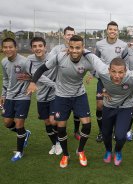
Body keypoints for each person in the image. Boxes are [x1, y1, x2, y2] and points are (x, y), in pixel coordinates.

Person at [27, 35, 96, 168]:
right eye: (72, 47)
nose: (74, 50)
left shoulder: (88, 60)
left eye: (78, 48)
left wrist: (93, 76)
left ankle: (80, 151)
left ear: (83, 48)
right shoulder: (60, 57)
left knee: (87, 126)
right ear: (68, 47)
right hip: (61, 96)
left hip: (79, 95)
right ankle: (65, 154)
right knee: (60, 127)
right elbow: (42, 69)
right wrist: (32, 82)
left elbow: (100, 71)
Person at [84, 54, 133, 166]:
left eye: (121, 72)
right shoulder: (102, 71)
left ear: (126, 71)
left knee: (120, 135)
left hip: (125, 108)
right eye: (113, 71)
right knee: (106, 134)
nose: (117, 75)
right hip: (108, 107)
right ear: (108, 70)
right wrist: (82, 49)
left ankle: (117, 151)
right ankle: (108, 151)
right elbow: (92, 57)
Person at [26, 37, 62, 155]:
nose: (38, 48)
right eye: (35, 46)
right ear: (32, 48)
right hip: (41, 96)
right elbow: (38, 76)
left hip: (54, 95)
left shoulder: (52, 58)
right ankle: (55, 144)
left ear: (45, 47)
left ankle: (59, 143)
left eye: (40, 46)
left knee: (53, 121)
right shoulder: (29, 60)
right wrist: (55, 85)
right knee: (47, 122)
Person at [94, 21, 127, 143]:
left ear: (117, 31)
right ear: (106, 30)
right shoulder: (99, 44)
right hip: (103, 79)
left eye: (115, 29)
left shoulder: (123, 45)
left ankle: (114, 130)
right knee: (100, 105)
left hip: (118, 80)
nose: (112, 31)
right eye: (110, 29)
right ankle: (101, 131)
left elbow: (125, 62)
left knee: (114, 104)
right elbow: (95, 59)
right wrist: (93, 74)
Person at [1, 38, 31, 161]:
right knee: (7, 123)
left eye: (10, 47)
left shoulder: (25, 61)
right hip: (9, 96)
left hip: (23, 97)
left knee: (19, 124)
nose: (8, 49)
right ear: (2, 49)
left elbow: (35, 75)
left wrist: (29, 78)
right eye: (5, 47)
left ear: (16, 47)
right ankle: (25, 133)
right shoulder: (3, 62)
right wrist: (3, 94)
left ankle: (19, 152)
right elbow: (6, 79)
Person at [49, 26, 81, 141]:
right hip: (60, 86)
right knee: (60, 115)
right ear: (64, 36)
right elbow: (48, 60)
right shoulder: (57, 49)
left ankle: (76, 131)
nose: (70, 37)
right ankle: (62, 132)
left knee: (77, 111)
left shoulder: (78, 48)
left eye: (72, 34)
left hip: (76, 85)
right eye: (68, 34)